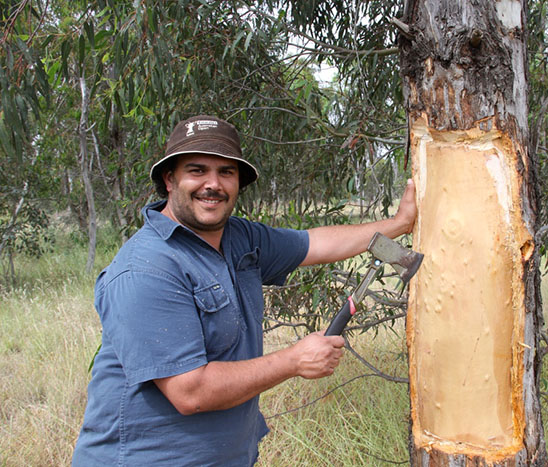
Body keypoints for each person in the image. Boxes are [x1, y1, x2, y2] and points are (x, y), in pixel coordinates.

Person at [72, 115, 417, 466]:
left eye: (226, 172)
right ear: (169, 179)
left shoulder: (240, 239)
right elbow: (189, 392)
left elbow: (314, 243)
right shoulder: (146, 269)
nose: (213, 184)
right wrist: (294, 360)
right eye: (197, 170)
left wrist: (398, 224)